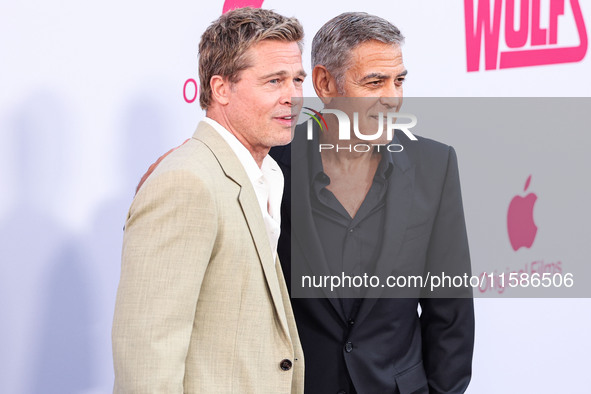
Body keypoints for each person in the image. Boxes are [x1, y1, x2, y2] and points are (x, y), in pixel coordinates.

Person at [270, 12, 475, 393]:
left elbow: (450, 311)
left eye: (399, 81)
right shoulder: (273, 163)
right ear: (324, 82)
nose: (393, 98)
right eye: (374, 82)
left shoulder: (434, 165)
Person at [112, 7, 307, 393]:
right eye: (274, 81)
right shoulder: (187, 182)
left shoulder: (269, 175)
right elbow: (147, 354)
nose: (293, 96)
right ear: (221, 89)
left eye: (297, 79)